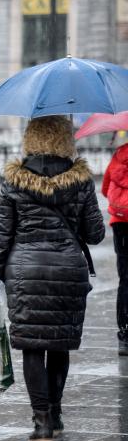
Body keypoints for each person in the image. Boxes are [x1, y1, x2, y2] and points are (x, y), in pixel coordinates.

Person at [0, 116, 104, 441]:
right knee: (59, 343)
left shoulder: (14, 179)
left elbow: (2, 235)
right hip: (68, 272)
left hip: (24, 273)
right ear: (67, 139)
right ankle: (55, 411)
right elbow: (95, 233)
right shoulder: (80, 179)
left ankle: (41, 425)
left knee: (33, 347)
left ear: (30, 138)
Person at [100, 139, 128, 355]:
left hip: (121, 223)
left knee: (125, 278)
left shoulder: (120, 154)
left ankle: (125, 334)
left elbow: (104, 188)